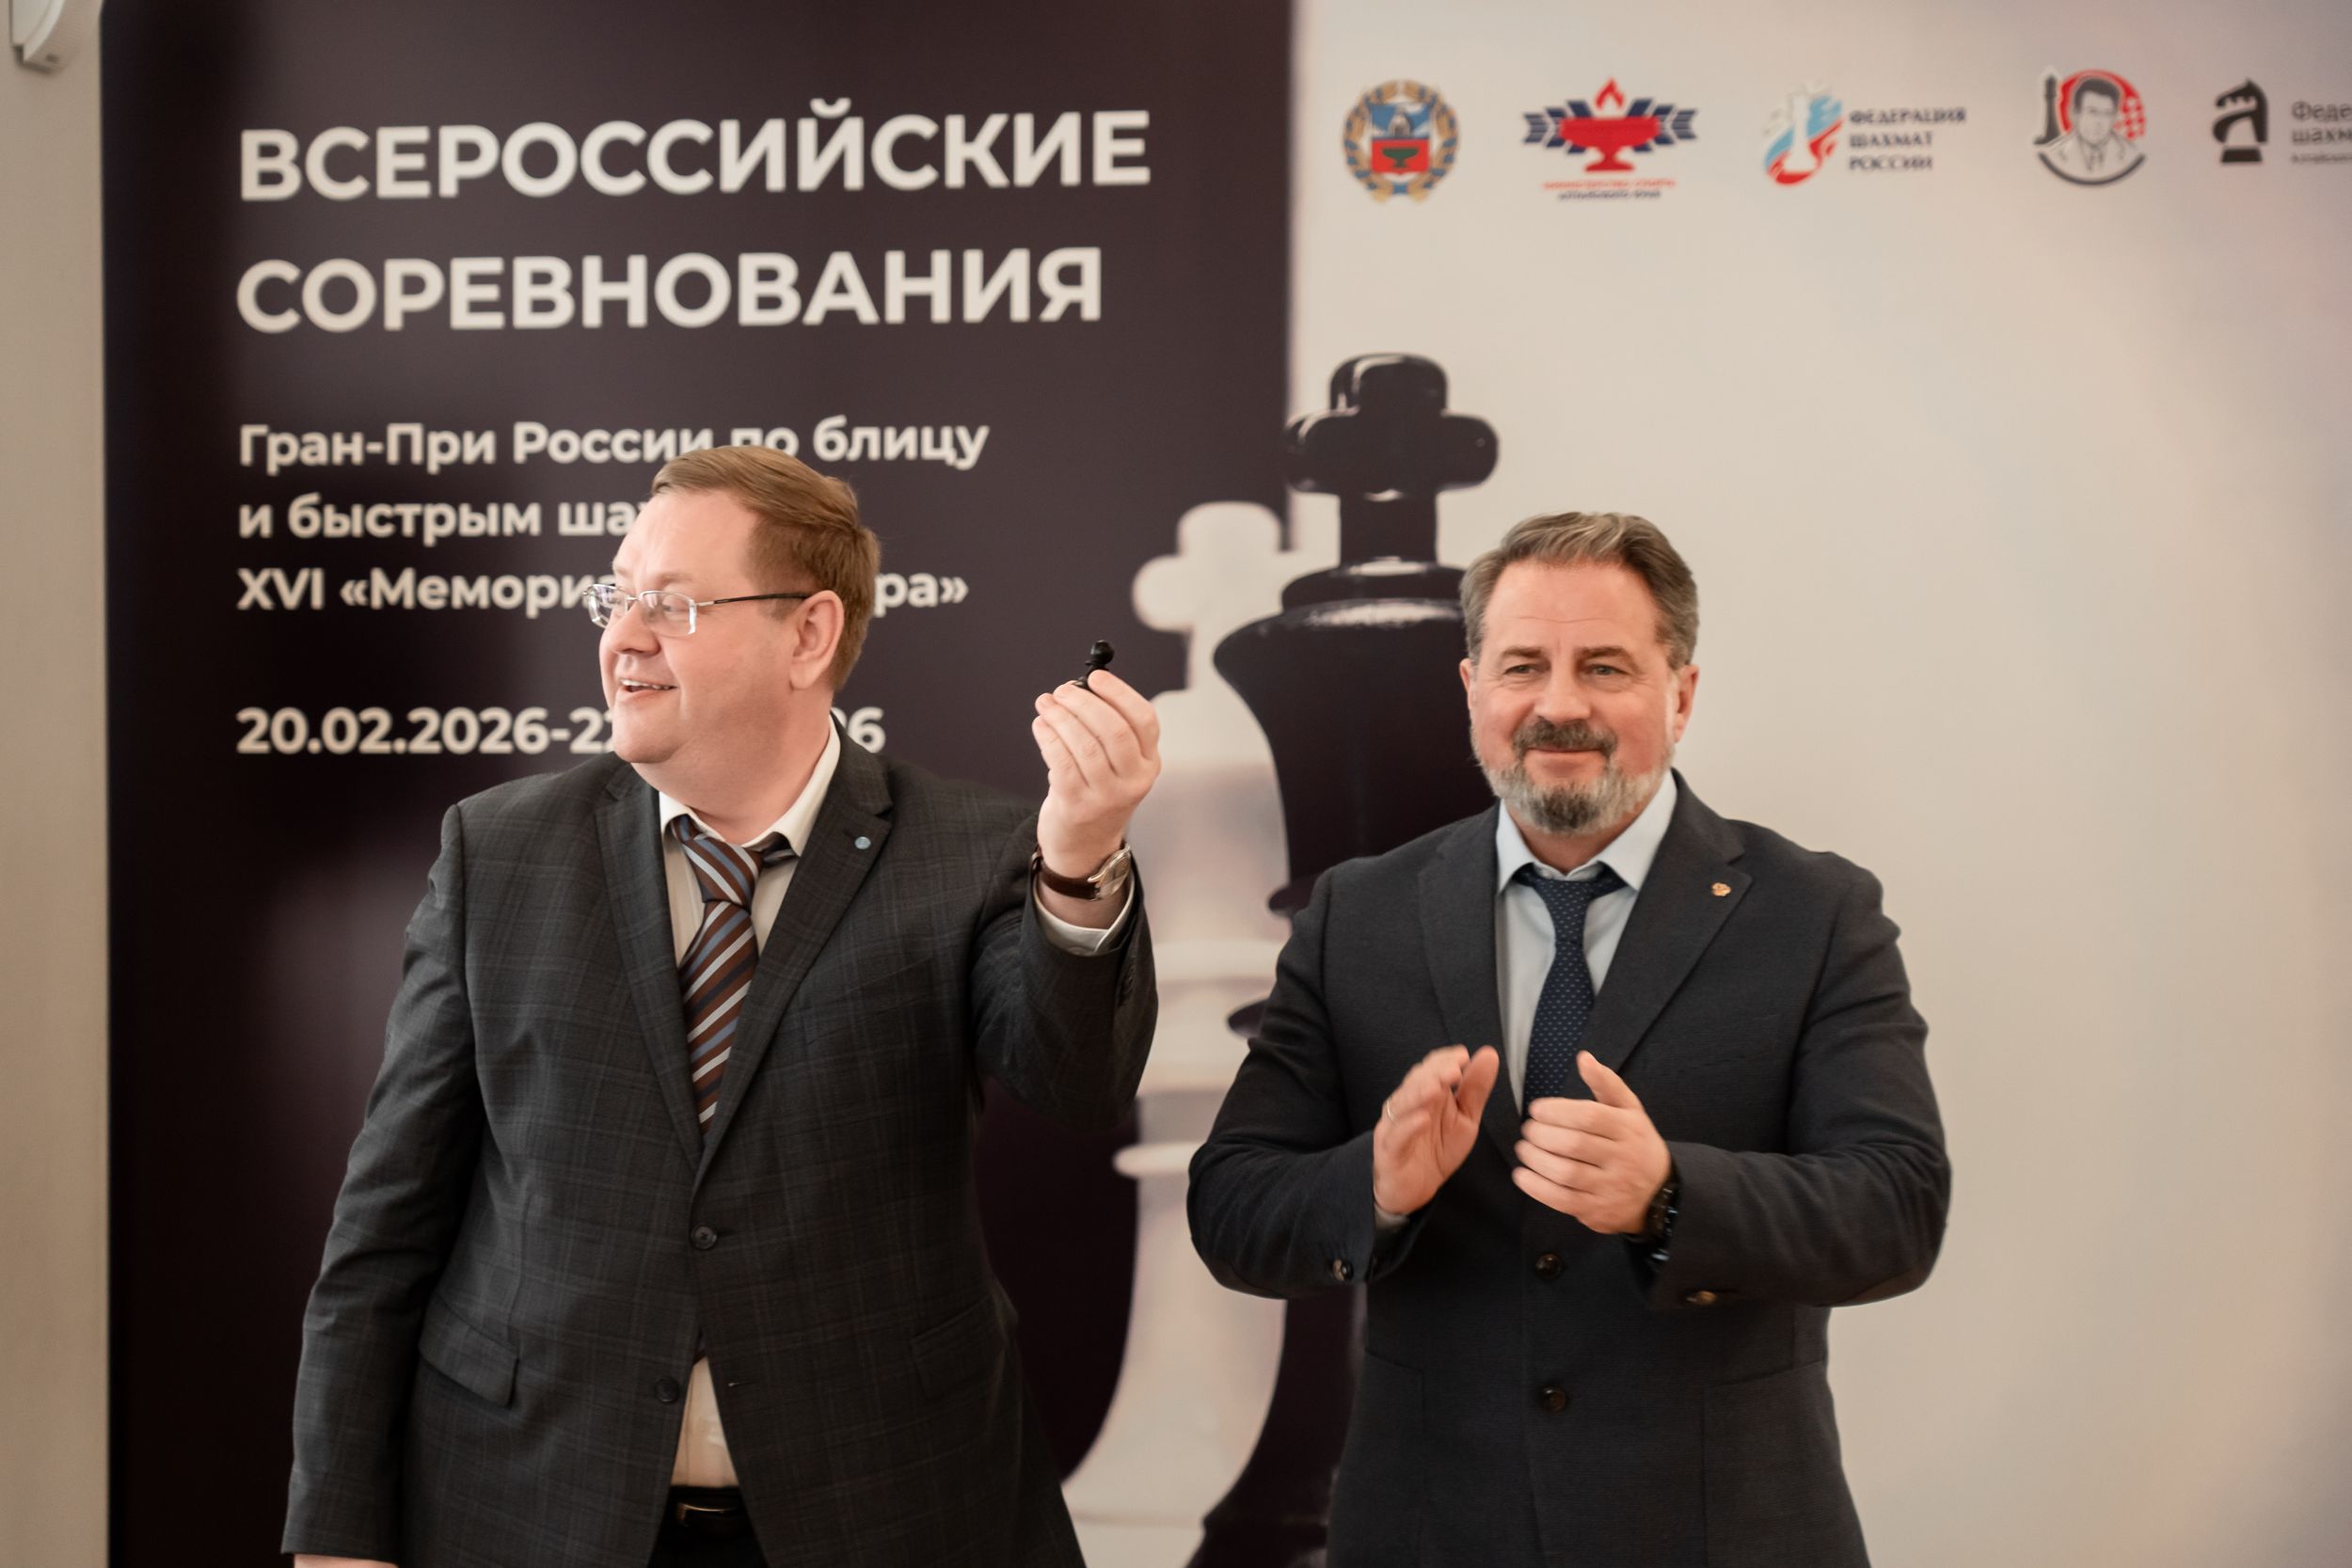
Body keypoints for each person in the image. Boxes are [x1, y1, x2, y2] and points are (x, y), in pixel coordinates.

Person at [282, 446, 1161, 1568]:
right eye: (617, 597)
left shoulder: (974, 854)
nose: (623, 636)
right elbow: (386, 1225)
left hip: (882, 1510)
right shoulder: (498, 852)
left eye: (672, 603)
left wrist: (1078, 862)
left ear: (808, 634)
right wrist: (337, 1534)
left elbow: (1075, 1083)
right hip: (534, 1506)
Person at [1188, 512, 1947, 1567]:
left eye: (1604, 666)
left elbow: (1897, 1207)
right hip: (1428, 1534)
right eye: (1522, 667)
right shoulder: (1357, 914)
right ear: (1472, 690)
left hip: (1721, 1532)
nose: (1559, 705)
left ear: (1680, 693)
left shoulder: (1814, 913)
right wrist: (1374, 1183)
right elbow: (1231, 1205)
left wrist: (1671, 1195)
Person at [2039, 74, 2143, 182]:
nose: (2099, 122)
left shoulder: (2131, 153)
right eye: (2092, 112)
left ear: (2115, 117)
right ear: (2074, 113)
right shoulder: (2055, 154)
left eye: (2107, 113)